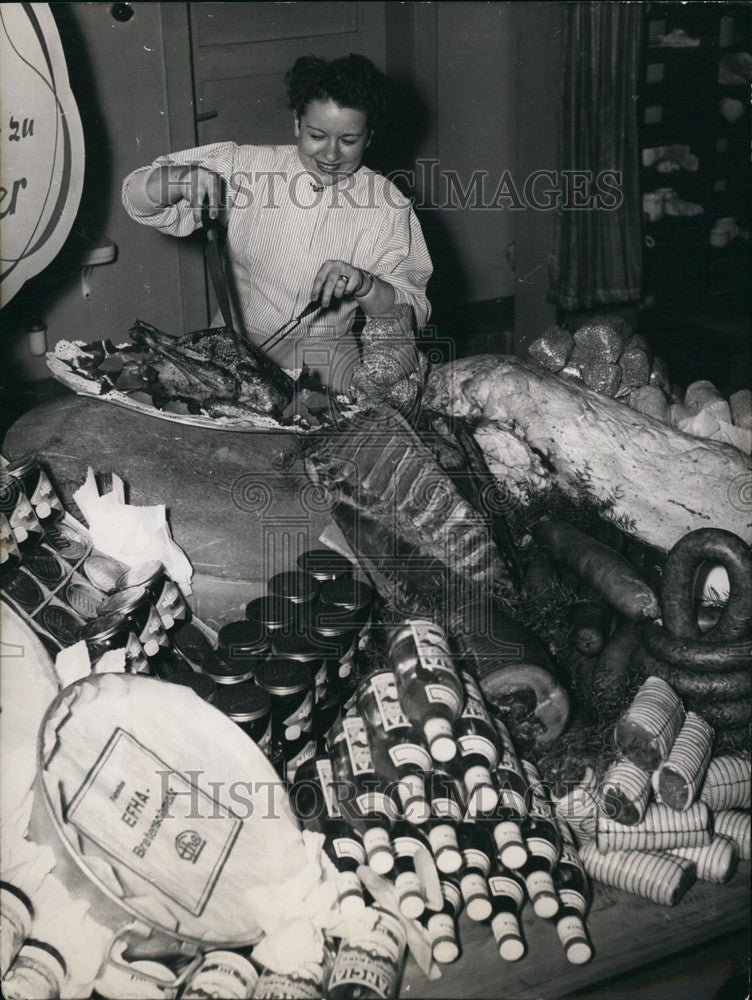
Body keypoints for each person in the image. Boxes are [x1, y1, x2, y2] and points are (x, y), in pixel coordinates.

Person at [122, 53, 432, 392]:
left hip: (329, 359)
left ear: (369, 137)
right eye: (316, 135)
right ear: (297, 124)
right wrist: (180, 178)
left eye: (348, 141)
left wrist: (364, 284)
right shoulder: (248, 167)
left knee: (342, 435)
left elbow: (413, 310)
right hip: (235, 351)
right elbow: (136, 198)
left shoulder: (388, 205)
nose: (330, 155)